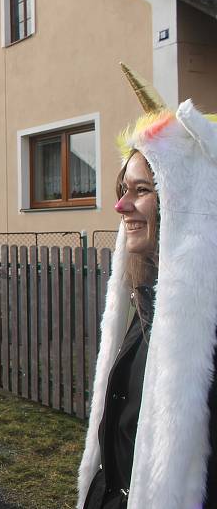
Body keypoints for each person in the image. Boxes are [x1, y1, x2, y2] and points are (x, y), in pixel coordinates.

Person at [78, 71, 217, 508]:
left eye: (141, 191)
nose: (121, 206)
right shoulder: (146, 297)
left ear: (184, 199)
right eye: (124, 190)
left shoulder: (206, 325)